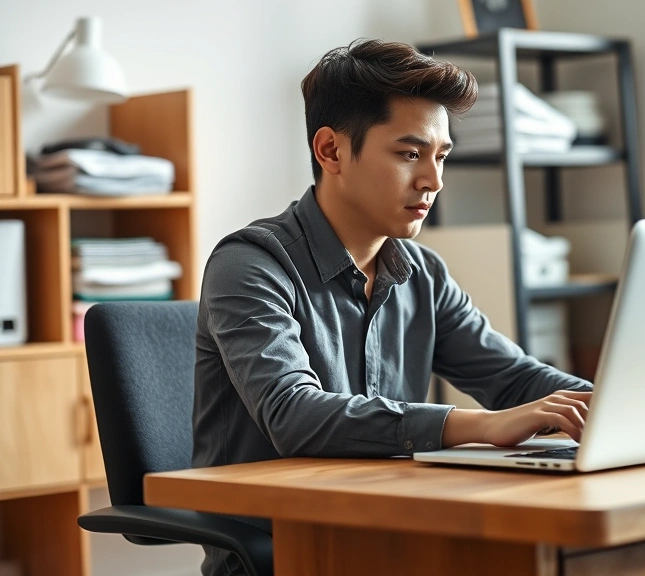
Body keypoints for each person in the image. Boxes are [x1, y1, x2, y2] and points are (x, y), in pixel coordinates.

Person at [192, 39, 593, 575]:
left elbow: (515, 379)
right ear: (330, 151)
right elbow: (295, 415)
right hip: (285, 553)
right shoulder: (249, 264)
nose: (434, 181)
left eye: (440, 156)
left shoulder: (421, 273)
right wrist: (481, 425)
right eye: (409, 154)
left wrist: (613, 407)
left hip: (395, 535)